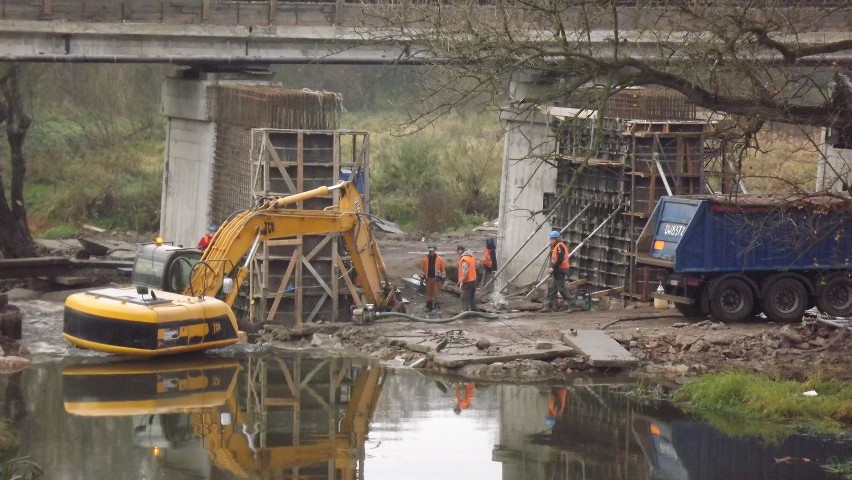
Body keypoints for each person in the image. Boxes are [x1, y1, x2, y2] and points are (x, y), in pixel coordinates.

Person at [540, 230, 571, 313]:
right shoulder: (555, 246)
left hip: (560, 271)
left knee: (562, 289)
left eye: (551, 239)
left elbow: (560, 259)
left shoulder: (560, 246)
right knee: (552, 289)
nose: (550, 241)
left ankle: (571, 304)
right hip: (557, 271)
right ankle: (547, 306)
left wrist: (553, 268)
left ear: (554, 239)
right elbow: (553, 258)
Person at [420, 242, 446, 313]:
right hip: (428, 279)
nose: (431, 251)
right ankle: (429, 307)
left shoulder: (440, 259)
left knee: (437, 294)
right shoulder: (425, 259)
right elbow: (422, 269)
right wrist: (422, 278)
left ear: (435, 250)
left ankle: (437, 307)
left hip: (437, 279)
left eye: (432, 250)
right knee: (429, 293)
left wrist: (443, 279)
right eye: (429, 250)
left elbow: (442, 270)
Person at [457, 245, 478, 311]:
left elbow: (465, 271)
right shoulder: (471, 257)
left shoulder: (464, 259)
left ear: (460, 250)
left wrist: (461, 281)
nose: (458, 253)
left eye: (458, 251)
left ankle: (465, 313)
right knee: (472, 297)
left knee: (464, 298)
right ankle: (473, 310)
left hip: (467, 282)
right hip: (473, 280)